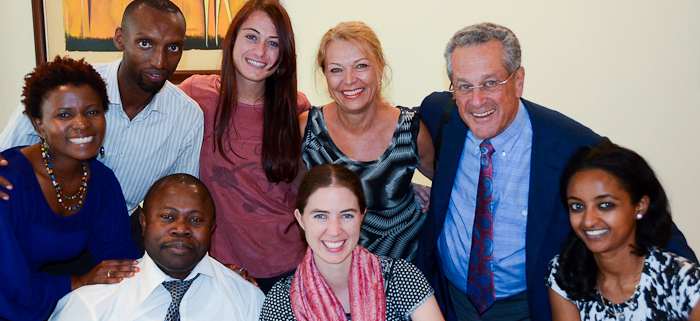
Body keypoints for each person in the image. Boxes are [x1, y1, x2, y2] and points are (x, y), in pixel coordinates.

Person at [415, 22, 697, 321]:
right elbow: (381, 131)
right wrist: (403, 186)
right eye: (464, 86)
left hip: (532, 306)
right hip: (451, 302)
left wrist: (688, 285)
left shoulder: (573, 145)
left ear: (518, 80)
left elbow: (650, 219)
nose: (476, 100)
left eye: (490, 83)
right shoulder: (440, 114)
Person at [0, 0, 204, 255]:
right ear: (120, 39)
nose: (160, 61)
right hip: (41, 234)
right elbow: (6, 155)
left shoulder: (187, 115)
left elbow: (180, 199)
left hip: (118, 236)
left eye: (173, 47)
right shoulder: (67, 88)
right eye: (145, 43)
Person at [178, 0, 309, 293]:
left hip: (289, 266)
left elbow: (316, 183)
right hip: (218, 269)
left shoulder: (296, 108)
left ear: (284, 55)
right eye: (251, 36)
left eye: (273, 43)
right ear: (233, 39)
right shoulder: (195, 95)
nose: (260, 52)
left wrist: (406, 187)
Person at [0, 56, 139, 321]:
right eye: (64, 115)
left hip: (39, 297)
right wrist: (77, 282)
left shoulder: (101, 181)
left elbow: (120, 263)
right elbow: (8, 289)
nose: (82, 124)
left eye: (92, 111)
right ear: (39, 125)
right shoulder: (7, 182)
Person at [301, 21, 435, 263]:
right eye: (336, 70)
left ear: (380, 70)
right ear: (325, 76)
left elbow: (454, 188)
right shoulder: (306, 131)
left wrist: (403, 187)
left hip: (406, 277)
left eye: (361, 66)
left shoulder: (410, 130)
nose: (350, 80)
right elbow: (288, 197)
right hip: (335, 277)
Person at [50, 174, 265, 320]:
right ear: (144, 223)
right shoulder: (92, 304)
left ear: (212, 229)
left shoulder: (246, 299)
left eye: (196, 220)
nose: (181, 229)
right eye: (167, 217)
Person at [260, 164, 443, 320]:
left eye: (347, 215)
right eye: (320, 216)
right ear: (301, 219)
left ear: (362, 216)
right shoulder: (281, 301)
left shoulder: (402, 277)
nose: (334, 230)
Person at [546, 142, 700, 320]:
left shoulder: (683, 281)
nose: (588, 221)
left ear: (640, 206)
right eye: (577, 206)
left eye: (605, 205)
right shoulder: (566, 273)